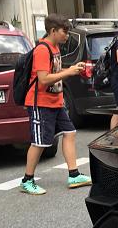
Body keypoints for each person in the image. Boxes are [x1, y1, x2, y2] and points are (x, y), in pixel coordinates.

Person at [20, 14, 92, 195]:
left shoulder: (55, 47)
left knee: (70, 132)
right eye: (64, 32)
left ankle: (74, 174)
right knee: (40, 142)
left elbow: (54, 71)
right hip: (40, 103)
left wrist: (71, 69)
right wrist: (69, 72)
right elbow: (43, 79)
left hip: (55, 102)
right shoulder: (42, 50)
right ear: (53, 31)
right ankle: (27, 180)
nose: (67, 35)